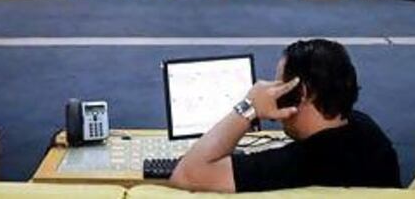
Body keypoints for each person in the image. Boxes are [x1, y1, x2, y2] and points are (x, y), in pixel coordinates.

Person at [169, 39, 401, 193]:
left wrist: (248, 107)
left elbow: (186, 174)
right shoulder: (367, 130)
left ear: (301, 93)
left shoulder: (294, 166)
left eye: (281, 84)